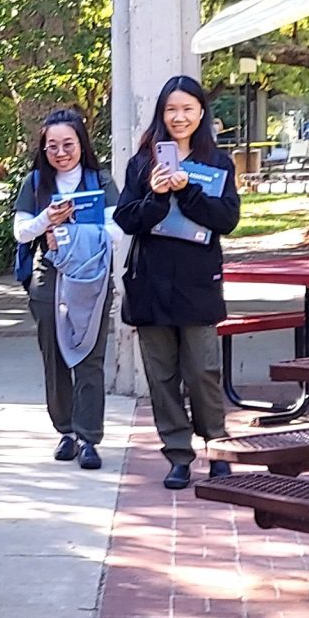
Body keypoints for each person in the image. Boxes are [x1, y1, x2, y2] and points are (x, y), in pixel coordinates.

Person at [114, 75, 240, 490]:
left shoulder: (218, 163)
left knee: (203, 370)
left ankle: (218, 448)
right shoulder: (141, 163)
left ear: (202, 112)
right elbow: (127, 219)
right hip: (151, 283)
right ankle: (178, 456)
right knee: (162, 376)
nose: (179, 117)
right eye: (171, 109)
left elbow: (227, 221)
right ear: (161, 114)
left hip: (197, 283)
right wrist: (155, 195)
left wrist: (188, 193)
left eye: (187, 109)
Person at [12, 108, 121, 470]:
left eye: (68, 144)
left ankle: (90, 437)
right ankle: (66, 432)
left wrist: (73, 231)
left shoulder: (99, 179)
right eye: (52, 146)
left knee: (90, 358)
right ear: (43, 149)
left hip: (91, 278)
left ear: (81, 144)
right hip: (49, 277)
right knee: (54, 357)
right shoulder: (35, 183)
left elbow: (118, 229)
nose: (60, 152)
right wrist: (48, 219)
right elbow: (21, 230)